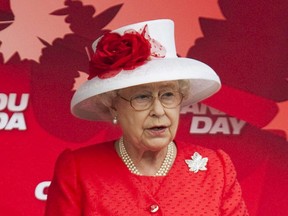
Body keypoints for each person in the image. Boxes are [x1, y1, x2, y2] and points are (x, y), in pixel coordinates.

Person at [45, 19, 248, 215]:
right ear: (114, 106)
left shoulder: (216, 168)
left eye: (168, 95)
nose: (158, 110)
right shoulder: (78, 170)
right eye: (142, 97)